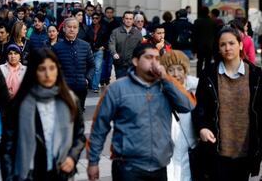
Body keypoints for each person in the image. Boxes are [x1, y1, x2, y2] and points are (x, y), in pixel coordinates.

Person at [87, 44, 195, 181]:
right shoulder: (118, 89)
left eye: (157, 58)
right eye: (149, 58)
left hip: (159, 166)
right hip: (127, 167)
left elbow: (188, 106)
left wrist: (166, 78)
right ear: (136, 61)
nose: (154, 62)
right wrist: (93, 161)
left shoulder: (165, 86)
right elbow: (99, 127)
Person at [1, 48, 86, 181]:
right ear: (33, 71)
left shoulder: (70, 100)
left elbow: (79, 136)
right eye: (42, 69)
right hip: (28, 174)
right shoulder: (19, 104)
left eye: (52, 68)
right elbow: (7, 147)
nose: (48, 74)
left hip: (60, 172)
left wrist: (72, 157)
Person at [192, 26, 262, 181]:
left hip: (246, 151)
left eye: (231, 43)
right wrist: (202, 127)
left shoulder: (256, 75)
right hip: (217, 151)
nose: (227, 48)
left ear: (241, 45)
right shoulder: (208, 74)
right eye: (222, 45)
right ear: (218, 48)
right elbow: (199, 107)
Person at [160, 50, 198, 181]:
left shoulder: (195, 89)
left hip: (190, 146)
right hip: (168, 148)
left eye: (179, 69)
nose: (176, 74)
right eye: (171, 70)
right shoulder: (160, 90)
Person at [52, 17, 95, 111]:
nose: (72, 29)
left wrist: (87, 79)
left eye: (75, 27)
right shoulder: (56, 48)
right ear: (64, 28)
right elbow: (52, 68)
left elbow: (92, 65)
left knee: (78, 116)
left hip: (81, 87)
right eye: (69, 27)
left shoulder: (85, 46)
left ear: (78, 29)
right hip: (63, 88)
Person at [109, 11, 142, 78]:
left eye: (130, 19)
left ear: (133, 21)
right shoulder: (116, 32)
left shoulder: (137, 33)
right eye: (126, 18)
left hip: (132, 64)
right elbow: (111, 44)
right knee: (120, 83)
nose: (128, 21)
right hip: (119, 63)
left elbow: (141, 47)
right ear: (123, 20)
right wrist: (114, 53)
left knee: (132, 84)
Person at [86, 12, 108, 93]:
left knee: (98, 69)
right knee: (90, 67)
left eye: (96, 18)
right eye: (93, 18)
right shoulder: (88, 28)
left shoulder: (104, 28)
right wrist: (88, 47)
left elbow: (107, 39)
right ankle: (90, 84)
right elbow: (86, 39)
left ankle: (95, 86)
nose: (95, 19)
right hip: (90, 50)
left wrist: (103, 47)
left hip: (99, 50)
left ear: (99, 19)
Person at [193, 6, 216, 77]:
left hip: (200, 45)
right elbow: (215, 35)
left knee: (200, 61)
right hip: (210, 45)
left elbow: (194, 36)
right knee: (208, 62)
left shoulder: (197, 22)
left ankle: (199, 76)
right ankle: (207, 76)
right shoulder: (212, 22)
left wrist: (194, 49)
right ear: (208, 12)